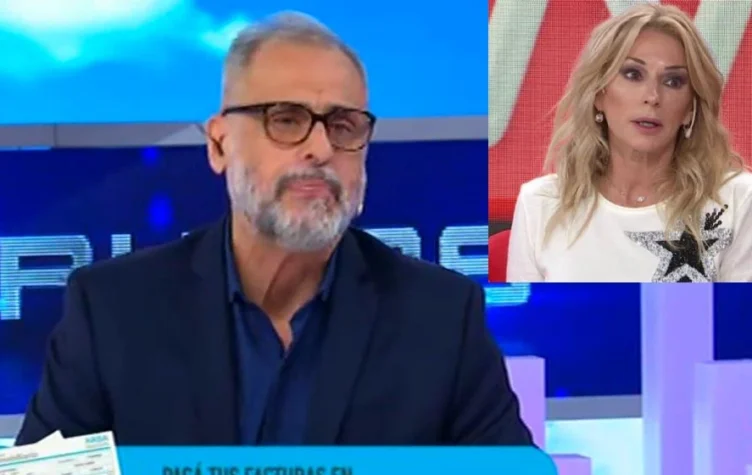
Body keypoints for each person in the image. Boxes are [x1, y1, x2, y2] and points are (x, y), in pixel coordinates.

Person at [15, 12, 532, 446]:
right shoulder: (113, 309)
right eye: (285, 119)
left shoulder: (441, 316)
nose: (321, 149)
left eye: (343, 126)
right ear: (219, 144)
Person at [505, 3, 752, 283]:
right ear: (599, 94)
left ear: (690, 108)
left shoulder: (738, 201)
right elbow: (526, 314)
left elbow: (738, 312)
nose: (652, 97)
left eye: (673, 81)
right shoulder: (541, 204)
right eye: (633, 75)